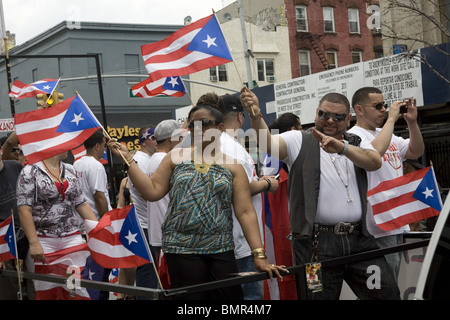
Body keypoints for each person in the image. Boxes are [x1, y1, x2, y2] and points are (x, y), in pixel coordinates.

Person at [107, 104, 287, 300]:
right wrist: (127, 160)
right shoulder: (175, 157)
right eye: (193, 125)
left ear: (219, 128)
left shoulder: (233, 165)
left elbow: (245, 211)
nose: (197, 129)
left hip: (221, 248)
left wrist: (259, 255)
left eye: (204, 123)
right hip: (180, 249)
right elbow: (152, 191)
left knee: (229, 301)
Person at [240, 87, 400, 300]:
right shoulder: (299, 139)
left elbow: (374, 161)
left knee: (386, 294)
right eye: (323, 114)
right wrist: (255, 115)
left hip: (359, 239)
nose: (330, 121)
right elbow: (268, 144)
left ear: (348, 119)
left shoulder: (355, 142)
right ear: (316, 113)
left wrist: (342, 148)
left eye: (338, 117)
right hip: (315, 245)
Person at [195, 92, 279, 300]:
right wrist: (268, 182)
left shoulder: (204, 145)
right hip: (239, 240)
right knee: (248, 298)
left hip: (218, 238)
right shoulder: (231, 146)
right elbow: (242, 188)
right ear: (240, 117)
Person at [349, 87, 425, 280]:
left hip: (398, 218)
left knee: (394, 280)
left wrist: (412, 123)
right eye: (378, 106)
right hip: (378, 223)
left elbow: (415, 152)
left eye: (384, 105)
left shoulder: (387, 134)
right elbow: (372, 155)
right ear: (359, 109)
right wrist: (391, 119)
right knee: (385, 282)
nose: (383, 109)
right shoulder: (353, 136)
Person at [16, 151, 98, 300]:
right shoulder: (30, 171)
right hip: (43, 240)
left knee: (75, 288)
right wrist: (34, 243)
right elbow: (24, 209)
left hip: (72, 238)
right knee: (47, 289)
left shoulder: (71, 169)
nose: (68, 147)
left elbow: (81, 203)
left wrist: (98, 230)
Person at [117, 125, 158, 300]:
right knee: (147, 275)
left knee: (150, 274)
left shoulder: (147, 159)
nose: (157, 141)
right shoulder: (141, 160)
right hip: (145, 226)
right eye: (154, 138)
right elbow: (145, 191)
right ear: (144, 140)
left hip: (148, 224)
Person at [144, 120, 186, 276]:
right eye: (180, 138)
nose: (182, 141)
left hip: (157, 232)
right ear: (171, 139)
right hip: (170, 234)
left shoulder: (152, 160)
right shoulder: (167, 160)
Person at [0, 139, 25, 300]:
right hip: (3, 240)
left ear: (1, 151)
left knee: (32, 283)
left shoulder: (15, 167)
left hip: (24, 234)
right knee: (8, 288)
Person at [73, 129, 112, 220]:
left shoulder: (76, 164)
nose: (105, 148)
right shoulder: (96, 166)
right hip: (96, 221)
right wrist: (105, 221)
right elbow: (99, 196)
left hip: (82, 219)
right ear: (97, 146)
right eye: (104, 145)